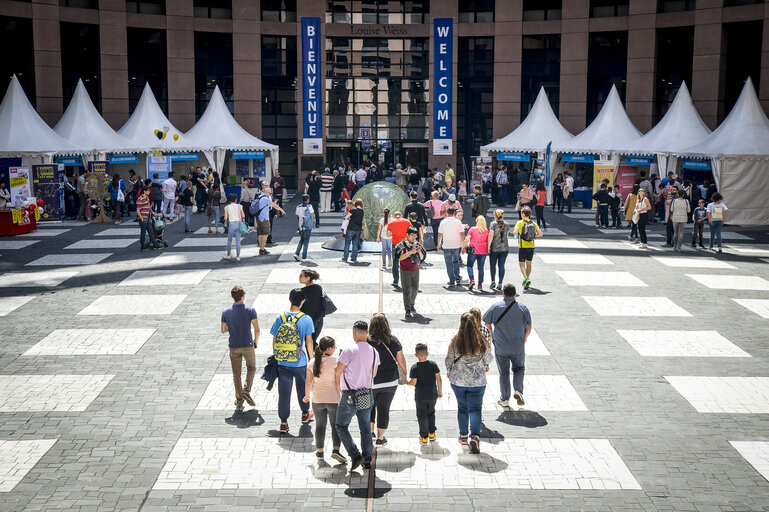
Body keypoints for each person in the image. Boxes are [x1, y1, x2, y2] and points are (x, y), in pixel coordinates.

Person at [335, 320, 380, 471]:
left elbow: (338, 370)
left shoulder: (349, 350)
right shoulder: (374, 351)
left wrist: (339, 387)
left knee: (341, 425)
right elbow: (374, 373)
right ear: (367, 333)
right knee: (366, 428)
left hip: (350, 395)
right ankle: (367, 460)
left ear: (354, 333)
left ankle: (355, 454)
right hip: (367, 393)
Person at [445, 312, 492, 454]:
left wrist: (448, 369)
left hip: (458, 380)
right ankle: (475, 437)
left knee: (462, 407)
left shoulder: (456, 340)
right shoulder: (481, 340)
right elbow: (489, 358)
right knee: (476, 409)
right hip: (478, 381)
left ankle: (463, 436)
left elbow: (449, 359)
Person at [271, 287, 315, 433]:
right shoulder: (306, 319)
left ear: (289, 299)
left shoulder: (280, 318)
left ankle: (284, 422)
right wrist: (312, 359)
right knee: (302, 389)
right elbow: (309, 341)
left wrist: (277, 356)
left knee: (284, 393)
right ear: (303, 301)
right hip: (300, 362)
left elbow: (275, 340)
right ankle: (304, 414)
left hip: (283, 362)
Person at [483, 283, 531, 412]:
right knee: (519, 369)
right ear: (515, 293)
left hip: (501, 346)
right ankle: (518, 390)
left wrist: (492, 335)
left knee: (504, 373)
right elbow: (528, 327)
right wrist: (525, 337)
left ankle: (505, 399)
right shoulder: (523, 308)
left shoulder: (495, 307)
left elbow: (486, 322)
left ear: (503, 293)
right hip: (518, 346)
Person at [303, 336, 347, 463]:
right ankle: (336, 450)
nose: (334, 349)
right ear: (329, 348)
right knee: (335, 426)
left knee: (320, 425)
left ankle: (320, 451)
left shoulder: (312, 362)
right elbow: (340, 380)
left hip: (317, 399)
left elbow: (308, 382)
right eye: (334, 347)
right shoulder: (336, 361)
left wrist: (307, 395)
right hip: (334, 399)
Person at [367, 314, 407, 446]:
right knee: (384, 409)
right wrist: (404, 375)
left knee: (369, 408)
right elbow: (401, 360)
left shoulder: (367, 341)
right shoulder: (393, 341)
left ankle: (370, 433)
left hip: (370, 381)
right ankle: (381, 438)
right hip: (389, 381)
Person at [221, 285, 260, 411]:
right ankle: (246, 390)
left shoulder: (226, 312)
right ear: (243, 296)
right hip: (248, 344)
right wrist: (255, 341)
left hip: (233, 345)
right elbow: (257, 329)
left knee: (236, 374)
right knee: (252, 368)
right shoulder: (250, 310)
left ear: (233, 297)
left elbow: (223, 330)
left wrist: (231, 328)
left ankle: (239, 401)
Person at [407, 343, 442, 445]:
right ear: (427, 353)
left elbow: (413, 382)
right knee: (431, 413)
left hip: (420, 396)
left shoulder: (414, 367)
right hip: (432, 395)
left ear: (415, 354)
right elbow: (439, 379)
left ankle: (423, 437)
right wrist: (440, 391)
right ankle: (432, 434)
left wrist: (406, 382)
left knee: (421, 415)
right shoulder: (433, 364)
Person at [397, 227, 426, 317]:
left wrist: (418, 251)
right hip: (405, 270)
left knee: (415, 289)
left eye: (415, 236)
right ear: (407, 235)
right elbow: (400, 257)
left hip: (415, 269)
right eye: (412, 235)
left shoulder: (417, 244)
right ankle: (407, 309)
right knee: (406, 290)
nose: (414, 237)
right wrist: (411, 252)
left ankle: (411, 304)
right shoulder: (402, 245)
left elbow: (421, 257)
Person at [512, 206, 543, 290]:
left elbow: (515, 233)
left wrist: (517, 233)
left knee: (521, 263)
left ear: (522, 214)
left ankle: (526, 278)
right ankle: (527, 279)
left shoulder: (520, 223)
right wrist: (533, 235)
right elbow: (540, 234)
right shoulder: (533, 223)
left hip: (522, 246)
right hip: (531, 246)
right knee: (529, 263)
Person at [438, 206, 465, 286]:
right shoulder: (458, 222)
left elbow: (440, 234)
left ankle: (451, 279)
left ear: (447, 213)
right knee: (456, 261)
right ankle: (457, 277)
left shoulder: (443, 222)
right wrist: (463, 244)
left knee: (448, 263)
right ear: (454, 213)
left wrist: (438, 244)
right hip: (456, 245)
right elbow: (462, 234)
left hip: (446, 245)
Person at [299, 269, 325, 349]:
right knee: (312, 342)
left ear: (308, 278)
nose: (299, 278)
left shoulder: (302, 291)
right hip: (319, 320)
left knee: (308, 343)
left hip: (308, 321)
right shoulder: (318, 288)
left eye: (301, 276)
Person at [463, 216, 490, 292]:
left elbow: (467, 239)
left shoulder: (472, 229)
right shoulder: (486, 230)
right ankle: (480, 284)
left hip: (473, 250)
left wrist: (464, 247)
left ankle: (472, 280)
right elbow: (487, 240)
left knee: (469, 265)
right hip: (483, 251)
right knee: (481, 268)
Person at [137, 181, 163, 251]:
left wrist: (152, 212)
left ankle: (155, 245)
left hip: (148, 217)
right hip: (143, 218)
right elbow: (138, 210)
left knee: (151, 232)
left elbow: (148, 206)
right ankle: (143, 246)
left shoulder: (147, 198)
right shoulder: (140, 199)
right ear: (144, 191)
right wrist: (141, 218)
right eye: (148, 191)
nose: (149, 192)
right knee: (143, 232)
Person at [387, 211, 411, 287]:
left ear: (394, 216)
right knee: (407, 262)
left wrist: (393, 233)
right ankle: (407, 281)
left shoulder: (391, 222)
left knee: (395, 263)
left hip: (395, 244)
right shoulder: (407, 221)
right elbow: (411, 232)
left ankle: (395, 281)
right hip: (405, 244)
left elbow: (388, 235)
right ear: (400, 215)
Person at [488, 209, 509, 291]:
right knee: (501, 265)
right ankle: (500, 283)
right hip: (504, 248)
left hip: (494, 247)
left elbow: (491, 236)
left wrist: (488, 246)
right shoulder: (506, 224)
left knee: (492, 265)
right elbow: (507, 236)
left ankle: (493, 281)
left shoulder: (493, 224)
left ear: (496, 216)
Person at [342, 199, 365, 263]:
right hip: (358, 229)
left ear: (356, 204)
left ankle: (345, 258)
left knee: (347, 243)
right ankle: (354, 258)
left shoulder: (353, 210)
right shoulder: (362, 211)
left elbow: (346, 217)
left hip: (351, 228)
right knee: (355, 244)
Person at [223, 193, 244, 261]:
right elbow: (243, 216)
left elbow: (225, 218)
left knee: (229, 240)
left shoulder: (227, 207)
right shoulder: (239, 206)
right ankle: (238, 256)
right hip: (238, 223)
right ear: (235, 199)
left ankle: (228, 255)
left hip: (231, 224)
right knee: (238, 240)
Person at [294, 194, 315, 262]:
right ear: (308, 199)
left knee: (302, 239)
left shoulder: (298, 206)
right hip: (307, 225)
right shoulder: (309, 206)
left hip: (301, 226)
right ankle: (304, 256)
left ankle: (297, 253)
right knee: (306, 241)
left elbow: (296, 216)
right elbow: (313, 215)